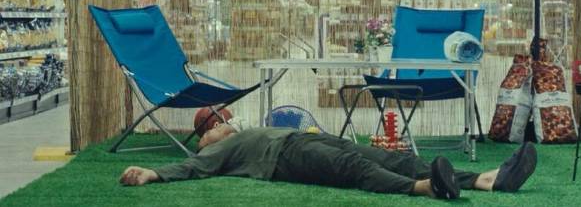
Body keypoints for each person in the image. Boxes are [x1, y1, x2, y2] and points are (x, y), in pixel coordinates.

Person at [119, 123, 537, 200]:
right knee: (354, 171)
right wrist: (154, 172)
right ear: (205, 143)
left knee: (391, 157)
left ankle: (486, 179)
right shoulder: (216, 152)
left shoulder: (244, 130)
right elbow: (192, 168)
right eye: (208, 128)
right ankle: (426, 188)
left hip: (304, 139)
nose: (216, 126)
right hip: (287, 156)